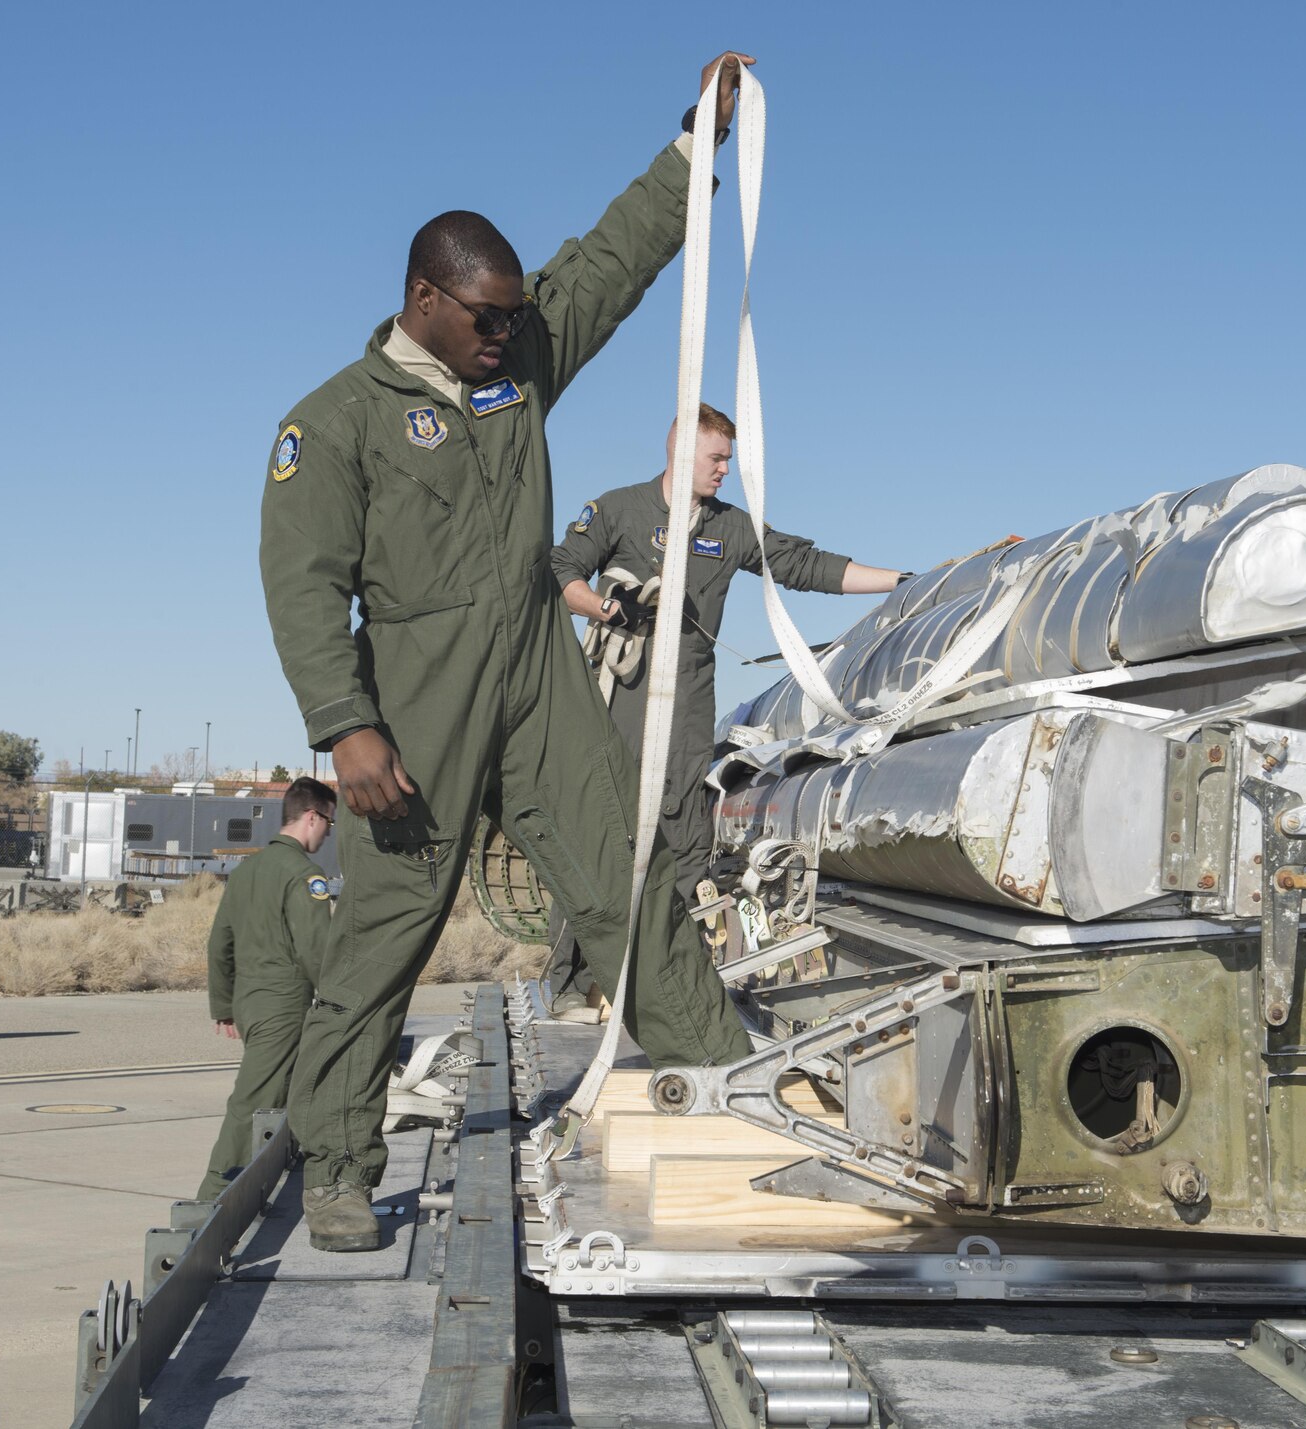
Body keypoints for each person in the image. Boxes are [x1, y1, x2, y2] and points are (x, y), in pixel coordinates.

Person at [260, 52, 757, 1252]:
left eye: (513, 318)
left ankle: (732, 1093)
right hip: (412, 710)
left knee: (624, 881)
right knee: (385, 933)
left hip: (536, 674)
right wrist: (345, 721)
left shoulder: (517, 363)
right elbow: (303, 582)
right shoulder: (332, 425)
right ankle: (336, 1161)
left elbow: (610, 260)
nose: (506, 333)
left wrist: (695, 149)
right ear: (424, 297)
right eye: (485, 318)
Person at [540, 405, 905, 1018]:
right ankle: (573, 984)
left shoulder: (730, 527)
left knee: (683, 835)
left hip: (687, 700)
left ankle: (654, 981)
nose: (725, 471)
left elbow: (802, 565)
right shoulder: (619, 509)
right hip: (620, 695)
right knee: (605, 830)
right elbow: (559, 571)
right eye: (716, 459)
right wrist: (605, 607)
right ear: (681, 454)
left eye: (729, 459)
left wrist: (905, 579)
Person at [196, 778, 337, 1201]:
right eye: (330, 822)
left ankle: (262, 1183)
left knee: (282, 1097)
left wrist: (224, 1005)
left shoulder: (246, 871)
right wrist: (338, 1002)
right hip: (283, 1005)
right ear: (313, 816)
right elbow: (317, 949)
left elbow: (220, 942)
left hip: (250, 1003)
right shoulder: (304, 874)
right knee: (254, 1101)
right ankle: (213, 1196)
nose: (329, 832)